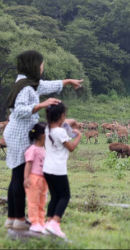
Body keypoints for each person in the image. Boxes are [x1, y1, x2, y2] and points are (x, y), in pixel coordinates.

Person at [4, 50, 83, 230]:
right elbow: (19, 110)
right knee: (18, 176)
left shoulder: (28, 82)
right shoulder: (25, 87)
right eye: (41, 64)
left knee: (16, 176)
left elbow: (46, 85)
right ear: (33, 65)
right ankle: (19, 219)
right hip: (19, 134)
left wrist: (68, 81)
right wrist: (41, 105)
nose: (42, 67)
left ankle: (12, 217)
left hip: (20, 132)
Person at [43, 102, 81, 238]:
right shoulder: (60, 132)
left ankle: (48, 223)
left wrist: (71, 121)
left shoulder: (47, 129)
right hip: (58, 169)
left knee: (54, 196)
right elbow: (71, 148)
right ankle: (55, 223)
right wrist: (79, 137)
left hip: (47, 169)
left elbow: (67, 122)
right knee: (65, 196)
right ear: (62, 116)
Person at [23, 122, 48, 233]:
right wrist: (26, 178)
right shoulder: (32, 150)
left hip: (43, 181)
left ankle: (41, 222)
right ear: (43, 136)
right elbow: (28, 164)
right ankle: (34, 222)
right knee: (33, 202)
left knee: (42, 202)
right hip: (34, 179)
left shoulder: (44, 150)